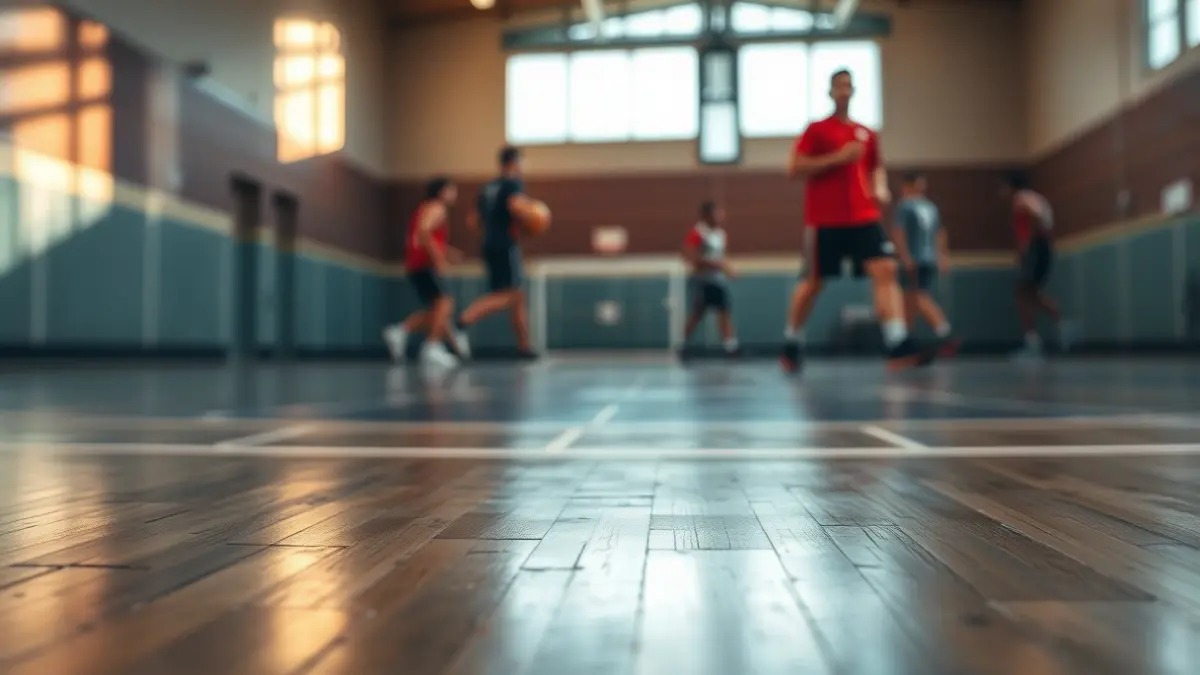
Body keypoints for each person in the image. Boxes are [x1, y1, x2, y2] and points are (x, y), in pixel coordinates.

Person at [781, 69, 937, 374]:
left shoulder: (866, 134)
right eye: (839, 86)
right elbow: (794, 168)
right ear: (830, 92)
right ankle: (792, 341)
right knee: (814, 282)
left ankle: (896, 342)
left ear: (854, 91)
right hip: (825, 218)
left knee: (886, 269)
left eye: (849, 86)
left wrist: (879, 186)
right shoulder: (817, 130)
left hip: (863, 215)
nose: (844, 91)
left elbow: (875, 167)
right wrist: (837, 159)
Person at [454, 146, 539, 359]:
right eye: (521, 162)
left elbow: (472, 221)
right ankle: (463, 320)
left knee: (518, 296)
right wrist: (533, 217)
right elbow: (517, 207)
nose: (523, 167)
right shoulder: (513, 184)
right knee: (509, 295)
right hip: (505, 244)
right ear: (513, 163)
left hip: (488, 244)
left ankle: (524, 347)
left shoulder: (487, 188)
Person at [383, 176, 469, 367]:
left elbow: (427, 235)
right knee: (445, 303)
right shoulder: (437, 208)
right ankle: (431, 347)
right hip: (424, 264)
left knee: (437, 310)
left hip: (415, 264)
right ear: (442, 191)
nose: (454, 194)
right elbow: (424, 231)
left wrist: (449, 253)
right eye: (452, 189)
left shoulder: (425, 208)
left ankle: (400, 331)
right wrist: (438, 260)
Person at [1004, 172, 1076, 358]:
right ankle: (1059, 325)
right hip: (1042, 247)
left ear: (1011, 187)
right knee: (1028, 294)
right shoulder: (1036, 197)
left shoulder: (1021, 199)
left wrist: (1026, 245)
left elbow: (1035, 216)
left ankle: (1033, 342)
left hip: (1036, 248)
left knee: (1022, 294)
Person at [892, 172, 960, 356]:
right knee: (908, 301)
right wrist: (942, 257)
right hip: (928, 259)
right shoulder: (931, 207)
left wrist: (904, 256)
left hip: (916, 259)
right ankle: (906, 339)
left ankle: (944, 332)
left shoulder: (905, 206)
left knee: (918, 297)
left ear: (906, 186)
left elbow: (899, 232)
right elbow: (940, 233)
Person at [680, 201, 739, 357]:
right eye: (717, 213)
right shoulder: (698, 233)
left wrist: (728, 269)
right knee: (697, 314)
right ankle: (683, 345)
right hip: (701, 281)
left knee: (724, 310)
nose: (720, 216)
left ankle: (731, 347)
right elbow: (691, 258)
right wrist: (715, 264)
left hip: (717, 280)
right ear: (707, 215)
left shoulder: (720, 235)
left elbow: (721, 258)